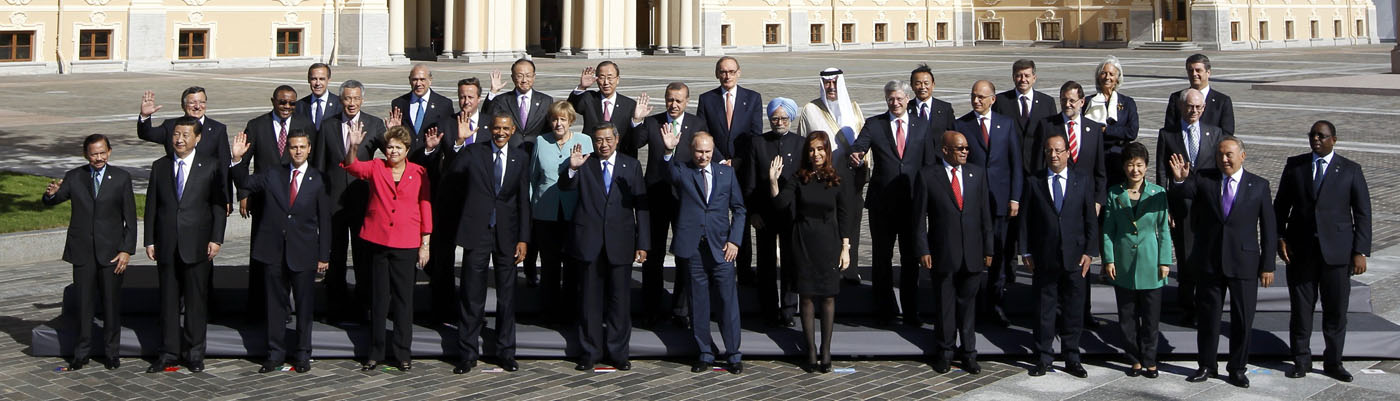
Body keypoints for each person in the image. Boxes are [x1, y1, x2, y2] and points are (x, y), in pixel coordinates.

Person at [1168, 136, 1277, 388]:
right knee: (1208, 317)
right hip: (1210, 261)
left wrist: (1268, 265)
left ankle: (1237, 367)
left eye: (1228, 154)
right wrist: (1180, 179)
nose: (1223, 159)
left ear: (1242, 156)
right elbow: (1184, 195)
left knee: (1242, 318)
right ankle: (1207, 365)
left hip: (1244, 262)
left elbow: (1269, 229)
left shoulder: (1259, 185)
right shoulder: (1205, 178)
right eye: (1220, 155)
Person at [1276, 120, 1372, 382]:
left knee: (1335, 310)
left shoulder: (1351, 170)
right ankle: (1301, 360)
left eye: (1322, 136)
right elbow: (1280, 207)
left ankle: (1333, 362)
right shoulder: (1295, 166)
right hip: (1301, 252)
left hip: (1337, 254)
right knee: (1301, 310)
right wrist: (1279, 237)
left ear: (1334, 140)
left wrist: (1360, 251)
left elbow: (1362, 213)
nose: (1316, 139)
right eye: (1312, 135)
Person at [229, 130, 330, 374]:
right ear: (288, 149)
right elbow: (244, 182)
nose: (297, 151)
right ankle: (275, 354)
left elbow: (325, 220)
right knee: (275, 307)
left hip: (304, 252)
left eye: (302, 147)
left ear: (309, 149)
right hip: (273, 251)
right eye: (293, 147)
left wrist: (324, 255)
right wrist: (236, 160)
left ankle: (303, 354)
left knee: (305, 307)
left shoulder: (318, 179)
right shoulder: (274, 174)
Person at [444, 112, 532, 374]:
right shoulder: (475, 153)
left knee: (507, 297)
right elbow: (453, 173)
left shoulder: (520, 157)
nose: (500, 133)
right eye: (496, 128)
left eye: (505, 128)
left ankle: (506, 352)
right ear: (489, 129)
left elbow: (523, 202)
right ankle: (467, 353)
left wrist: (524, 239)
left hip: (507, 234)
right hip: (477, 232)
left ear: (513, 130)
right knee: (472, 295)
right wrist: (459, 144)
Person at [341, 125, 433, 372]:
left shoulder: (419, 172)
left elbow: (425, 208)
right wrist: (353, 147)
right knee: (379, 299)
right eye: (389, 147)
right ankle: (376, 351)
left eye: (398, 148)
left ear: (407, 150)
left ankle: (403, 352)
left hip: (407, 242)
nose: (392, 152)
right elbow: (352, 167)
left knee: (404, 300)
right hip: (378, 240)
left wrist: (425, 244)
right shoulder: (376, 167)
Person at [848, 80, 938, 327]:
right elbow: (859, 146)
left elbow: (930, 164)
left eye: (899, 98)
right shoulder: (874, 124)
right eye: (890, 99)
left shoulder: (922, 125)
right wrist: (855, 155)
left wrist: (930, 198)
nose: (895, 103)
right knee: (881, 259)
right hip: (882, 204)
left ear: (908, 99)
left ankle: (911, 311)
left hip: (912, 204)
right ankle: (884, 310)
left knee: (911, 260)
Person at [560, 123, 649, 372]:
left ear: (617, 139)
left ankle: (618, 352)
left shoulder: (630, 165)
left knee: (619, 302)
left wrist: (643, 243)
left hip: (620, 242)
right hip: (589, 242)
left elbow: (641, 207)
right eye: (599, 140)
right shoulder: (584, 164)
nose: (603, 144)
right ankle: (590, 351)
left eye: (608, 139)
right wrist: (571, 169)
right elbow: (565, 187)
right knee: (589, 301)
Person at [43, 134, 136, 371]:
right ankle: (81, 353)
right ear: (86, 155)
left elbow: (131, 219)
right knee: (84, 304)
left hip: (112, 253)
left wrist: (126, 250)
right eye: (94, 154)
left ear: (109, 152)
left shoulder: (121, 178)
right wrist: (51, 194)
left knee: (111, 305)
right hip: (83, 252)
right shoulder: (75, 176)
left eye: (102, 152)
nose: (98, 158)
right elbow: (55, 199)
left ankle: (111, 352)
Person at [143, 116, 229, 374]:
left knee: (195, 302)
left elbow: (218, 205)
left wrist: (216, 238)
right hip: (167, 243)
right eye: (176, 134)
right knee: (168, 302)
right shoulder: (160, 166)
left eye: (185, 135)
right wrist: (149, 239)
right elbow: (151, 206)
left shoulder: (211, 166)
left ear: (197, 138)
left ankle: (194, 353)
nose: (179, 139)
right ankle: (168, 352)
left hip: (198, 244)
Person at [769, 130, 853, 373]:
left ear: (827, 151)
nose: (816, 154)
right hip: (802, 241)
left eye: (820, 149)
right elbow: (780, 205)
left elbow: (845, 215)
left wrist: (845, 248)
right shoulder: (799, 177)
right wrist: (774, 181)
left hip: (828, 243)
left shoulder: (837, 178)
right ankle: (811, 349)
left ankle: (826, 350)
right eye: (812, 150)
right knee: (805, 296)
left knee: (827, 296)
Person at [913, 130, 994, 375]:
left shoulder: (977, 174)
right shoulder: (928, 175)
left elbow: (985, 215)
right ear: (945, 150)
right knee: (945, 306)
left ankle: (969, 353)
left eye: (967, 148)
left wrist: (989, 248)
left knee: (968, 307)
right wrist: (923, 249)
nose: (965, 152)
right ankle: (945, 352)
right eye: (960, 148)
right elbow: (919, 219)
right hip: (943, 252)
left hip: (972, 252)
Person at [1020, 135, 1098, 378]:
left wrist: (1089, 252)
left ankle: (1072, 356)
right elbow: (1024, 221)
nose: (1053, 155)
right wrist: (1025, 251)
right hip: (1045, 257)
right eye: (1049, 151)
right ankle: (1044, 356)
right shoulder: (1034, 182)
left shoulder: (1082, 181)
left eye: (1058, 150)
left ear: (1067, 153)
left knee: (1073, 309)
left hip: (1075, 257)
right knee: (1045, 308)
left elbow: (1090, 219)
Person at [670, 132, 747, 374]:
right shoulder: (683, 171)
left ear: (714, 150)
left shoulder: (727, 174)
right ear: (691, 151)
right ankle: (704, 351)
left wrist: (735, 241)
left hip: (723, 248)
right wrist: (667, 150)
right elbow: (668, 170)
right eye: (699, 152)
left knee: (728, 304)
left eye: (707, 151)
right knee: (698, 304)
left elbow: (740, 209)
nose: (703, 156)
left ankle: (733, 354)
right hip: (694, 248)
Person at [238, 85, 316, 322]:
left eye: (292, 103)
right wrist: (243, 193)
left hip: (295, 202)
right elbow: (243, 161)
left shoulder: (305, 124)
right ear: (273, 101)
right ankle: (258, 307)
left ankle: (285, 307)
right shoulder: (256, 125)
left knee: (290, 256)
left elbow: (312, 163)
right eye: (282, 102)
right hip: (264, 201)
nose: (287, 107)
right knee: (262, 255)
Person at [314, 80, 388, 324]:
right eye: (347, 99)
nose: (352, 103)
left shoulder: (374, 124)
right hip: (333, 201)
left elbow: (391, 154)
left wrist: (392, 133)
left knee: (363, 256)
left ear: (362, 100)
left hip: (363, 200)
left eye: (356, 98)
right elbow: (320, 166)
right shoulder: (327, 126)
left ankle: (364, 306)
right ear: (340, 100)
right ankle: (335, 307)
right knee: (335, 255)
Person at [421, 78, 491, 324]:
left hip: (478, 203)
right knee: (443, 259)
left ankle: (472, 313)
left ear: (479, 98)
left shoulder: (489, 125)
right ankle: (441, 309)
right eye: (462, 96)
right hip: (449, 201)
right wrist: (430, 150)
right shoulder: (445, 124)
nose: (466, 101)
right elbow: (431, 165)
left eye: (471, 97)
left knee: (475, 263)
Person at [1102, 142, 1172, 379]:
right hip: (1123, 262)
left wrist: (1165, 261)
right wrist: (1108, 259)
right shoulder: (1114, 193)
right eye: (1131, 165)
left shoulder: (1158, 193)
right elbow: (1108, 230)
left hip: (1150, 262)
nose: (1135, 170)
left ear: (1146, 167)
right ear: (1124, 166)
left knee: (1151, 319)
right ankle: (1134, 358)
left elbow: (1163, 229)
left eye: (1139, 165)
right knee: (1127, 318)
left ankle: (1150, 359)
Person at [956, 80, 1023, 328]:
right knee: (973, 257)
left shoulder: (1006, 124)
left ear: (993, 99)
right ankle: (970, 307)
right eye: (974, 96)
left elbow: (1016, 164)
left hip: (1000, 202)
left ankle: (996, 304)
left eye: (982, 97)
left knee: (1000, 255)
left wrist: (1015, 197)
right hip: (972, 204)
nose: (977, 101)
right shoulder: (961, 125)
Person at [636, 82, 703, 328]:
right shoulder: (652, 122)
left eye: (678, 101)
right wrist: (635, 121)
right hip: (655, 194)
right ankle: (651, 308)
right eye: (669, 100)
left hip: (685, 198)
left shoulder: (696, 124)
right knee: (653, 255)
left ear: (687, 101)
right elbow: (634, 143)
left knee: (684, 253)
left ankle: (681, 309)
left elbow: (704, 154)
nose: (673, 105)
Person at [1155, 88, 1222, 327]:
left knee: (1208, 259)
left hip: (1208, 207)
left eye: (1198, 107)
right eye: (1189, 107)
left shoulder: (1215, 133)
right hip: (1180, 207)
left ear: (1203, 109)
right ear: (1181, 108)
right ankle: (1187, 308)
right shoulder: (1168, 135)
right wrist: (1165, 206)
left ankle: (1207, 305)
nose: (1193, 111)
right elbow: (1162, 172)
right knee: (1185, 260)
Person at [796, 68, 866, 285]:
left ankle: (850, 270)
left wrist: (862, 161)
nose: (831, 87)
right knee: (828, 225)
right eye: (827, 83)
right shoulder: (811, 109)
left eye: (835, 83)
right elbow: (803, 144)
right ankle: (826, 270)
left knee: (851, 223)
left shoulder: (854, 109)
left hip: (850, 179)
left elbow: (865, 142)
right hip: (823, 180)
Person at [697, 56, 763, 283]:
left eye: (731, 71)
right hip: (714, 166)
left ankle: (744, 269)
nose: (727, 76)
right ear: (717, 74)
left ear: (739, 73)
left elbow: (755, 135)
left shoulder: (752, 98)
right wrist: (718, 159)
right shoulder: (707, 99)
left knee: (740, 217)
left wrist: (736, 161)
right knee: (714, 216)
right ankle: (715, 263)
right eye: (723, 72)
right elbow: (702, 133)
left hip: (742, 169)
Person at [742, 98, 805, 327]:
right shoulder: (758, 143)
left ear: (791, 118)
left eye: (783, 118)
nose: (779, 122)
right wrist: (753, 212)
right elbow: (749, 182)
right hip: (764, 213)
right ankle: (768, 309)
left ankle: (788, 309)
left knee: (791, 261)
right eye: (775, 118)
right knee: (766, 262)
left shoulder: (800, 144)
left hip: (791, 213)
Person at [531, 101, 593, 323]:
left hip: (574, 211)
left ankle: (571, 310)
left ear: (571, 122)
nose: (558, 124)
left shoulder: (584, 141)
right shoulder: (541, 141)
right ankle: (548, 311)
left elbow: (591, 177)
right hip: (545, 212)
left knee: (572, 262)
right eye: (555, 119)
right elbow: (533, 177)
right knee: (549, 264)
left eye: (563, 120)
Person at [137, 87, 233, 208]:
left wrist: (226, 198)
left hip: (206, 194)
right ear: (183, 105)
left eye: (202, 102)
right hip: (177, 191)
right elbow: (147, 134)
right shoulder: (171, 126)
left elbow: (224, 166)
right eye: (192, 102)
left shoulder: (217, 129)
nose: (197, 106)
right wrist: (145, 116)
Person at [1083, 56, 1140, 188]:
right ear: (1098, 77)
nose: (1107, 77)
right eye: (1103, 73)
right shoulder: (1087, 102)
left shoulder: (1127, 102)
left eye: (1111, 74)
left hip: (1119, 156)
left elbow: (1132, 132)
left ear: (1117, 78)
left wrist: (1106, 130)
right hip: (1095, 155)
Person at [569, 61, 645, 157]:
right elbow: (570, 107)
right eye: (601, 77)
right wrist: (582, 87)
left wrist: (637, 120)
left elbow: (636, 141)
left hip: (620, 158)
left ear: (617, 79)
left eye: (610, 78)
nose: (606, 82)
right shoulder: (589, 98)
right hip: (592, 157)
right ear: (596, 79)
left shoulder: (630, 105)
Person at [993, 59, 1057, 174]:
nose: (1023, 80)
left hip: (1038, 167)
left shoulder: (1047, 102)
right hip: (1009, 166)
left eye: (1027, 76)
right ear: (1013, 77)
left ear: (1034, 78)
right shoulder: (1001, 101)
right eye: (1019, 76)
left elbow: (1052, 134)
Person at [489, 58, 555, 149]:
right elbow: (487, 118)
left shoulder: (546, 101)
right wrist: (493, 92)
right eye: (519, 76)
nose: (524, 80)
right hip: (510, 152)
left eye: (528, 76)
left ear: (534, 76)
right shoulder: (501, 100)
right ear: (512, 77)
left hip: (536, 151)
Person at [390, 63, 456, 152]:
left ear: (430, 80)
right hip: (406, 161)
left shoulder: (444, 104)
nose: (418, 83)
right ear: (409, 80)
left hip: (432, 160)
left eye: (422, 79)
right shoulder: (399, 103)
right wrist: (392, 131)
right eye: (415, 80)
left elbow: (449, 135)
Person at [1165, 54, 1235, 135]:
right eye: (1190, 70)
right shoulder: (1176, 98)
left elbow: (1227, 134)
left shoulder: (1222, 101)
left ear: (1208, 72)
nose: (1194, 74)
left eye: (1198, 70)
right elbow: (1169, 131)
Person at [908, 63, 956, 133]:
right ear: (912, 86)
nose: (922, 87)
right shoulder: (906, 108)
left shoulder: (945, 108)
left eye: (926, 83)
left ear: (933, 85)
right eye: (918, 83)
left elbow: (952, 133)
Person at [296, 63, 341, 133]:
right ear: (308, 80)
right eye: (314, 79)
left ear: (328, 80)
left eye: (322, 79)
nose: (317, 83)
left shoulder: (340, 104)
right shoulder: (299, 106)